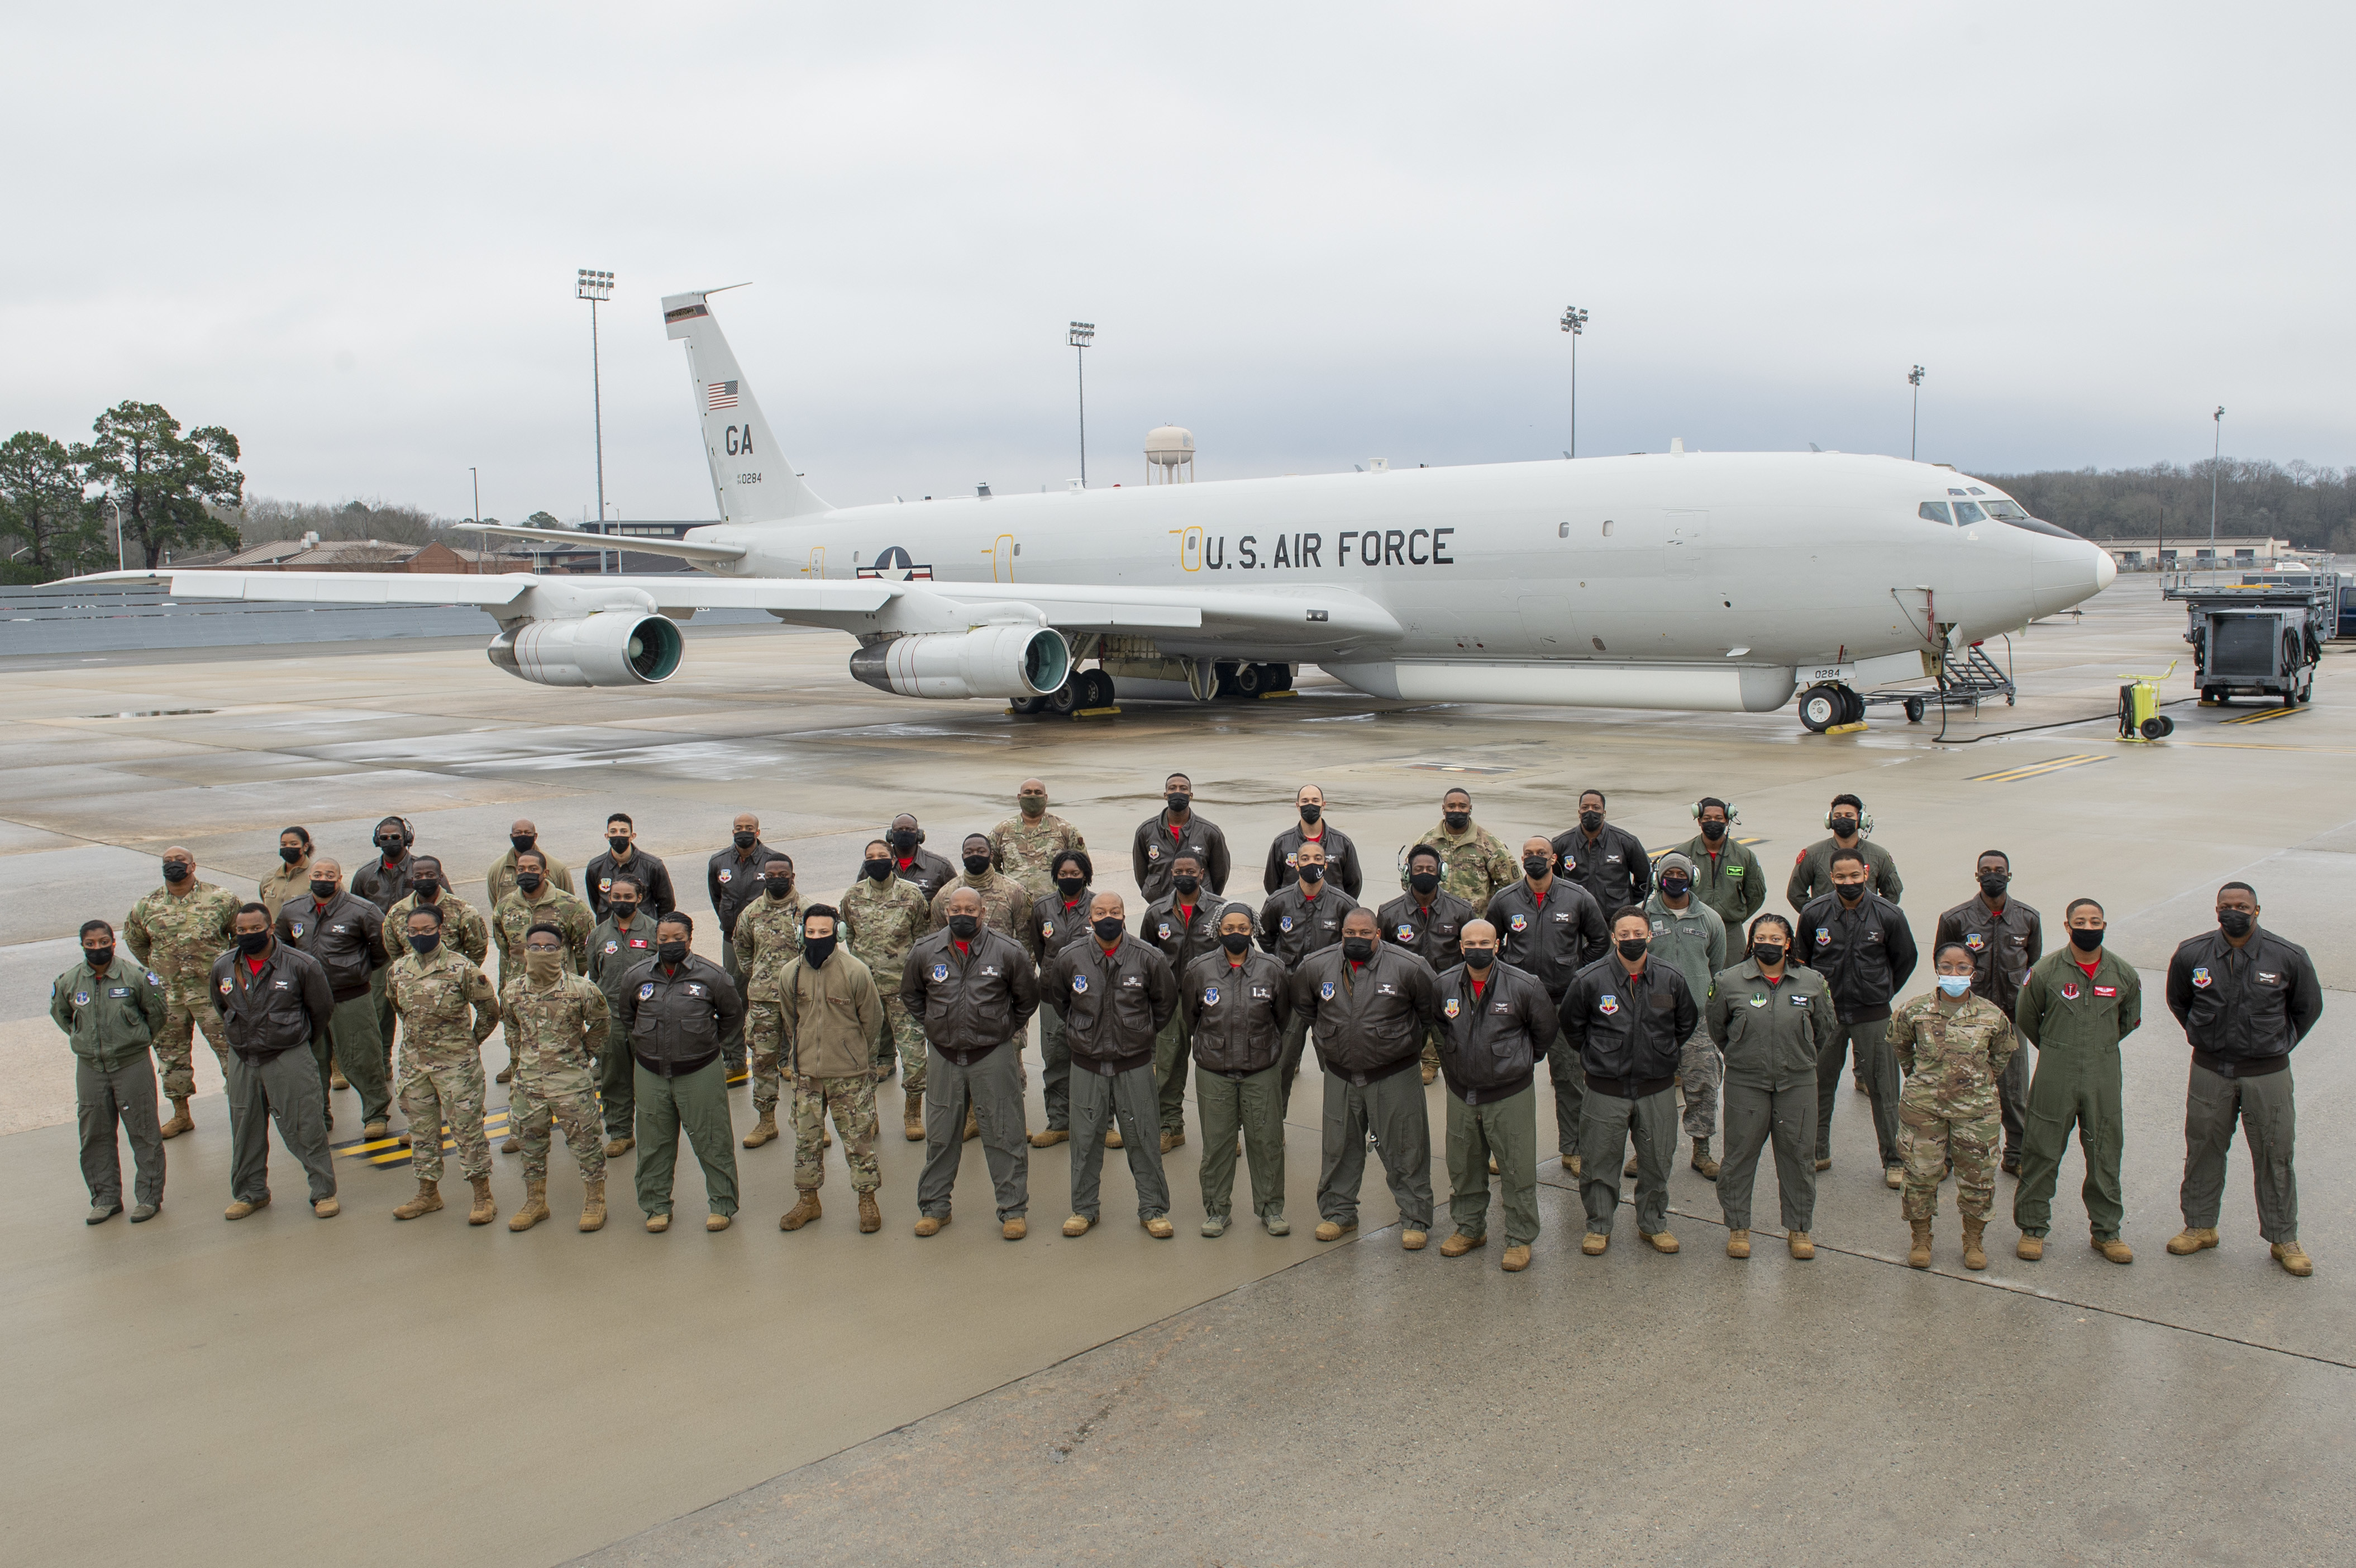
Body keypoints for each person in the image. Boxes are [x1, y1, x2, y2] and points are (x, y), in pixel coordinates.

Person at [2163, 881, 2322, 1277]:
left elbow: (2307, 1008)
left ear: (2257, 910)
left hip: (2266, 1074)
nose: (2234, 911)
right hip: (2209, 1070)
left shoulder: (2288, 956)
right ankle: (2200, 1227)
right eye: (2226, 905)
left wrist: (2276, 1044)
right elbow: (2179, 1000)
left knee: (2275, 1154)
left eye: (2242, 906)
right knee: (2202, 1147)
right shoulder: (2192, 953)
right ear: (2216, 909)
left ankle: (2283, 1238)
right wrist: (2204, 1035)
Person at [1294, 908, 1440, 1249]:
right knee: (1339, 1147)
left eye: (1364, 933)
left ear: (1378, 934)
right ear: (1340, 933)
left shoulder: (1410, 968)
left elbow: (1430, 1014)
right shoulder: (1316, 966)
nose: (1355, 939)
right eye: (1349, 933)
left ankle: (1415, 1218)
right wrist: (1329, 1049)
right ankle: (1338, 1214)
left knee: (1406, 1147)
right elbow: (1306, 1010)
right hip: (1341, 1076)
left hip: (1394, 1075)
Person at [902, 887, 1039, 1240]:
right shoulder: (925, 951)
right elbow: (913, 996)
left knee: (1005, 1133)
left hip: (992, 1056)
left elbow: (1026, 999)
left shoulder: (1008, 951)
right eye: (956, 909)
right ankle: (935, 1208)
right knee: (941, 1135)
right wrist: (937, 1026)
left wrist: (1002, 1029)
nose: (963, 914)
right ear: (947, 911)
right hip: (945, 1057)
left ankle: (1013, 1210)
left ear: (983, 913)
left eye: (970, 909)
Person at [1561, 907, 1699, 1255]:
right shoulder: (1589, 980)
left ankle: (1653, 1224)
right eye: (1625, 935)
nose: (1632, 940)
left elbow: (1685, 1024)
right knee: (1599, 1161)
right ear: (1613, 937)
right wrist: (1601, 1056)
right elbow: (1573, 1027)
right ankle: (1599, 1226)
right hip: (1606, 1089)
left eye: (1639, 934)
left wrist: (1660, 1054)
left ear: (1650, 935)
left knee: (1656, 1159)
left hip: (1657, 1088)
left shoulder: (1671, 978)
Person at [2011, 898, 2140, 1264]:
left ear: (2104, 924)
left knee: (2105, 1152)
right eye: (2080, 921)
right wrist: (2056, 1047)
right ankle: (2033, 1228)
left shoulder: (2123, 973)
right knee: (2042, 1149)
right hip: (2056, 1069)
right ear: (2068, 926)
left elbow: (2129, 1020)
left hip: (2103, 1072)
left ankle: (2107, 1232)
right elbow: (2026, 1015)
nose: (2088, 926)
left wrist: (2096, 1046)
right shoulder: (2047, 970)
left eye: (2095, 920)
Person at [1044, 892, 1178, 1239]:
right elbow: (1061, 1001)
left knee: (1144, 1136)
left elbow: (1164, 1005)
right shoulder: (1070, 958)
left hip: (1133, 1063)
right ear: (1090, 919)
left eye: (1115, 911)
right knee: (1086, 1139)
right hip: (1086, 1063)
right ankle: (1084, 1209)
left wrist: (1138, 1035)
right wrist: (1084, 1033)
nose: (1108, 917)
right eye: (1101, 912)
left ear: (1124, 916)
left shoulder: (1149, 957)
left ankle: (1153, 1209)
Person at [1432, 918, 1557, 1272]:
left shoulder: (1524, 986)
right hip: (1462, 1093)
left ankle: (1519, 1238)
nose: (1477, 949)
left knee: (1516, 1166)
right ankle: (1470, 1228)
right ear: (1460, 947)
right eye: (1469, 943)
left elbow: (1544, 1031)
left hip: (1509, 1093)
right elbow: (1440, 1030)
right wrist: (1457, 1063)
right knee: (1464, 1164)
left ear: (1497, 945)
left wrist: (1516, 1062)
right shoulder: (1444, 985)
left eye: (1484, 943)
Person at [1707, 914, 1834, 1260]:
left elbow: (1824, 1029)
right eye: (1761, 937)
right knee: (1739, 1155)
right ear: (1751, 941)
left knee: (1798, 1157)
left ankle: (1799, 1229)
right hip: (1746, 1081)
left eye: (1776, 938)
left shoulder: (1811, 982)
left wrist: (1798, 1056)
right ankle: (1738, 1228)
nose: (1768, 943)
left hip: (1798, 1081)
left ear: (1788, 943)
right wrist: (1744, 1055)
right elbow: (1718, 1027)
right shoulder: (1729, 981)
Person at [1888, 942, 2020, 1270]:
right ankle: (1921, 1238)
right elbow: (1902, 1048)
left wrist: (1975, 1083)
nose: (1954, 973)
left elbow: (2001, 1056)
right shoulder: (1913, 1010)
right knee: (1920, 1175)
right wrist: (1925, 1080)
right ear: (1936, 969)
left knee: (1978, 1179)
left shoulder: (1992, 1015)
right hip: (1924, 1110)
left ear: (1973, 972)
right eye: (1946, 966)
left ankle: (1973, 1240)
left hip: (1976, 1112)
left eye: (1962, 967)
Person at [1796, 848, 1918, 1188]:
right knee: (1819, 1084)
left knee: (1885, 1089)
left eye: (1854, 876)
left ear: (1865, 873)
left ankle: (1894, 1159)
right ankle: (1818, 1150)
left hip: (1873, 1014)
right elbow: (1802, 960)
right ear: (1832, 878)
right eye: (1841, 877)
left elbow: (1905, 959)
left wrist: (1881, 991)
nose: (1848, 882)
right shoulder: (1814, 912)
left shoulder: (1889, 915)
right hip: (1827, 1016)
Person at [211, 903, 340, 1219]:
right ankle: (251, 1193)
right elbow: (221, 1005)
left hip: (288, 1055)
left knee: (305, 1125)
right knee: (245, 1128)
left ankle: (323, 1193)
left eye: (256, 929)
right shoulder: (224, 966)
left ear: (270, 929)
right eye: (241, 931)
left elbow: (321, 1010)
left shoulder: (301, 964)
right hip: (243, 1057)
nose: (248, 935)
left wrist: (295, 1041)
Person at [619, 913, 746, 1233]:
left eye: (678, 939)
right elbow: (627, 1016)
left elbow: (732, 1016)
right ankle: (656, 1206)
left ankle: (722, 1204)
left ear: (690, 939)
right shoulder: (636, 976)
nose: (670, 944)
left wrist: (706, 1043)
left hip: (700, 1070)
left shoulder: (713, 976)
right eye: (664, 939)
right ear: (655, 940)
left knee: (713, 1139)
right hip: (650, 1071)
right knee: (653, 1143)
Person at [1489, 835, 1608, 1175]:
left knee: (1570, 1078)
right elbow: (1491, 943)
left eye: (1541, 853)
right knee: (1508, 1080)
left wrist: (1576, 972)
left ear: (1554, 859)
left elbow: (1600, 941)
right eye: (1528, 854)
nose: (1534, 858)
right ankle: (1505, 1150)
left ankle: (1574, 1149)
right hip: (1516, 1005)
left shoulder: (1578, 898)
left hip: (1561, 1003)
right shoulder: (1505, 900)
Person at [385, 904, 503, 1226]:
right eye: (413, 932)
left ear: (440, 930)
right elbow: (400, 1008)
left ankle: (483, 1196)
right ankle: (428, 1193)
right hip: (415, 1066)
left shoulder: (462, 969)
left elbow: (490, 1012)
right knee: (422, 1131)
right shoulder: (398, 970)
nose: (419, 936)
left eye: (426, 931)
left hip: (457, 1066)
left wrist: (468, 1043)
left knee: (467, 1130)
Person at [776, 905, 887, 1236]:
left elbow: (872, 1021)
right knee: (806, 1141)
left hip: (848, 1075)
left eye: (824, 933)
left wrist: (856, 1059)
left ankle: (867, 1200)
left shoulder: (856, 972)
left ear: (837, 933)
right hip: (807, 1075)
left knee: (858, 1141)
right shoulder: (789, 973)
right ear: (801, 934)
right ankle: (808, 1200)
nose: (816, 938)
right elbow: (789, 1021)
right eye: (810, 933)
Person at [1184, 903, 1293, 1237]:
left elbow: (1283, 1016)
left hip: (1261, 1070)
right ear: (1218, 930)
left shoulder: (1273, 968)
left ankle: (1271, 1210)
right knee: (1217, 1144)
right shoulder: (1199, 969)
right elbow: (1191, 1018)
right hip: (1214, 1072)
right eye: (1229, 927)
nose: (1236, 934)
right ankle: (1218, 1211)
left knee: (1267, 1141)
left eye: (1243, 928)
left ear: (1253, 930)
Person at [1933, 850, 2042, 1173]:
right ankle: (1947, 1158)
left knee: (2014, 1091)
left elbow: (2032, 966)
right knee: (1957, 1088)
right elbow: (1944, 965)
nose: (1993, 875)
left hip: (2011, 1018)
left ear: (2009, 876)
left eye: (1999, 870)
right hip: (1965, 1020)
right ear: (1977, 875)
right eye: (1986, 870)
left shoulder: (2028, 918)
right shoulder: (1956, 918)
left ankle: (2018, 1155)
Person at [53, 919, 169, 1223]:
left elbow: (157, 1014)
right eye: (90, 944)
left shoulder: (137, 977)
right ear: (82, 945)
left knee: (144, 1131)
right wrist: (88, 1043)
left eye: (103, 942)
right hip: (90, 1068)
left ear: (113, 942)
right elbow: (63, 1016)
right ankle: (105, 1199)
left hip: (131, 1065)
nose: (98, 948)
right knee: (94, 1135)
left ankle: (149, 1197)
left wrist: (133, 1042)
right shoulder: (69, 981)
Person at [500, 920, 611, 1232]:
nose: (542, 953)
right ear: (525, 951)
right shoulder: (512, 992)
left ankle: (595, 1201)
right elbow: (510, 1026)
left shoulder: (581, 989)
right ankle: (536, 1202)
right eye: (535, 947)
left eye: (550, 948)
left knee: (586, 1144)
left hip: (571, 1083)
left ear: (561, 952)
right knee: (530, 1144)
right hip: (529, 1085)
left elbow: (602, 1024)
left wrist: (581, 1055)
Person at [122, 845, 239, 1140]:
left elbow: (240, 937)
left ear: (193, 865)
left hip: (213, 995)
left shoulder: (221, 898)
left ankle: (243, 1108)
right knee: (172, 1058)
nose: (174, 865)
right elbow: (136, 941)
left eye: (180, 860)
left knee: (232, 1053)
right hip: (169, 998)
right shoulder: (146, 906)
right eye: (167, 861)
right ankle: (181, 1115)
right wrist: (159, 967)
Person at [274, 857, 390, 1137]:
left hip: (350, 998)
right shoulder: (293, 910)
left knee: (362, 1057)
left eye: (329, 875)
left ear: (339, 879)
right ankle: (320, 1116)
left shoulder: (362, 910)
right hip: (308, 1001)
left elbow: (382, 947)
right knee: (313, 1062)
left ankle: (375, 1114)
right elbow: (282, 946)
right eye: (317, 874)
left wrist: (356, 972)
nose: (322, 879)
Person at [840, 839, 935, 1139]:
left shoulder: (911, 895)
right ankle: (870, 1114)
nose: (876, 860)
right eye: (870, 857)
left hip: (902, 991)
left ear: (893, 860)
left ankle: (912, 1113)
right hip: (865, 992)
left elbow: (922, 937)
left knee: (915, 1058)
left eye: (882, 856)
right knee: (864, 1059)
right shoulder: (853, 896)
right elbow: (850, 937)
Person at [1256, 838, 1358, 1112]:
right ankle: (1274, 1124)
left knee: (1337, 1062)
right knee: (1283, 1062)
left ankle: (1345, 1120)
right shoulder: (1279, 901)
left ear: (1326, 864)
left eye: (1317, 859)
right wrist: (1282, 961)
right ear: (1295, 864)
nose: (1311, 864)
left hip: (1331, 995)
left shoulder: (1343, 904)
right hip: (1291, 993)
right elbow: (1264, 935)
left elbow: (1354, 943)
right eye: (1304, 859)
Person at [1643, 852, 1728, 1179]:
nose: (1675, 878)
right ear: (1659, 878)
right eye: (1669, 873)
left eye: (1681, 873)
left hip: (1697, 1020)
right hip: (1653, 1018)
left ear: (1691, 877)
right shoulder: (1644, 916)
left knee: (1703, 1083)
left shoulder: (1710, 919)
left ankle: (1702, 1151)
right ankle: (1644, 1150)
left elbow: (1718, 968)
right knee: (1648, 1089)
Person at [492, 850, 593, 1097]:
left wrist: (568, 977)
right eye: (521, 869)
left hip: (561, 994)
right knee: (519, 1047)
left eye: (533, 869)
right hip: (520, 992)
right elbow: (505, 947)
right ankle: (524, 1099)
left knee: (567, 1049)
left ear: (545, 873)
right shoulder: (505, 906)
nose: (526, 874)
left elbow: (585, 949)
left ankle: (572, 1097)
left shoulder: (570, 906)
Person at [1142, 851, 1219, 1151]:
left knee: (1216, 1068)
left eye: (1191, 870)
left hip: (1212, 1001)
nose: (1184, 875)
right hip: (1172, 1001)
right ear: (1171, 874)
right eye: (1178, 871)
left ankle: (1220, 1136)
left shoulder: (1220, 911)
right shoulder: (1156, 912)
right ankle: (1170, 1127)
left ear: (1202, 874)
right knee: (1168, 1067)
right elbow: (1147, 958)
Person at [1377, 844, 1473, 1086]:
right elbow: (1381, 958)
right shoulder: (1389, 913)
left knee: (1457, 1060)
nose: (1424, 873)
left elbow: (1470, 955)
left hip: (1448, 996)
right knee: (1399, 1063)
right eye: (1418, 868)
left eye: (1431, 868)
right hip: (1406, 999)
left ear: (1441, 872)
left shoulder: (1461, 911)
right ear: (1408, 872)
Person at [731, 855, 804, 1150]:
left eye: (782, 873)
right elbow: (742, 947)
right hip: (763, 1000)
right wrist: (760, 976)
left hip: (800, 998)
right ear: (764, 877)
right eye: (770, 874)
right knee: (762, 1061)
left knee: (804, 1062)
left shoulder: (807, 910)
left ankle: (808, 1123)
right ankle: (766, 1122)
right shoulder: (752, 913)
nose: (776, 878)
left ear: (792, 875)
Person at [1028, 849, 1099, 1148]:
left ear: (1086, 875)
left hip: (1090, 997)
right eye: (1064, 874)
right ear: (1056, 875)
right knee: (1055, 1058)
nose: (1069, 878)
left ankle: (1101, 1125)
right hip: (1052, 997)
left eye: (1075, 874)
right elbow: (1040, 950)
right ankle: (1059, 1123)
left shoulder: (1099, 904)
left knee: (1095, 1059)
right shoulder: (1043, 907)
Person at [586, 874, 657, 1156]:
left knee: (651, 1078)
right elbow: (594, 974)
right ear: (608, 898)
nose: (622, 902)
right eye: (617, 897)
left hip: (647, 1016)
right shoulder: (599, 934)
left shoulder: (654, 931)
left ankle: (655, 1132)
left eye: (628, 897)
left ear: (639, 898)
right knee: (614, 1077)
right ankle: (620, 1132)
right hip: (611, 1016)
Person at [706, 813, 772, 1078]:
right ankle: (734, 1060)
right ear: (732, 831)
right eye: (738, 828)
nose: (743, 832)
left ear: (758, 832)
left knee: (774, 994)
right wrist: (729, 921)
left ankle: (783, 1059)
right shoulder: (719, 862)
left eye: (749, 828)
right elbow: (716, 896)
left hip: (768, 939)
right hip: (733, 939)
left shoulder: (772, 861)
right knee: (732, 997)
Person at [351, 816, 419, 1060]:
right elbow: (353, 915)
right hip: (380, 955)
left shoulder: (424, 870)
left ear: (407, 839)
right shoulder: (364, 875)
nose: (390, 842)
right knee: (380, 1012)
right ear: (377, 841)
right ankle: (382, 1061)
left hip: (416, 954)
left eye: (396, 837)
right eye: (385, 838)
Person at [1787, 793, 1901, 911]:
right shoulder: (1813, 854)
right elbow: (1795, 894)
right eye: (1837, 816)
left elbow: (1893, 893)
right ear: (1830, 820)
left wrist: (1876, 915)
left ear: (1861, 820)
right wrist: (1817, 915)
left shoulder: (1879, 855)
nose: (1842, 819)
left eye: (1849, 815)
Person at [1131, 772, 1231, 903]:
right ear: (1166, 795)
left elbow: (1220, 875)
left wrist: (1208, 898)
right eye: (1172, 788)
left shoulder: (1210, 832)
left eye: (1183, 789)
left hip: (1201, 907)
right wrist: (1152, 895)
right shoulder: (1146, 831)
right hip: (1160, 906)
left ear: (1191, 795)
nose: (1178, 792)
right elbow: (1141, 874)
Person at [1551, 788, 1653, 913]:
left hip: (1613, 921)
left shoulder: (1626, 842)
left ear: (1604, 813)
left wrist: (1625, 903)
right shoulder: (1561, 844)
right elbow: (1549, 881)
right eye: (1585, 807)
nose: (1590, 811)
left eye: (1596, 807)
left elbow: (1646, 880)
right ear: (1579, 812)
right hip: (1576, 921)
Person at [1419, 788, 1519, 916]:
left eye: (1462, 806)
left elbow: (1512, 884)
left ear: (1470, 809)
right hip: (1434, 921)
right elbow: (1409, 882)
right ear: (1443, 809)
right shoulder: (1426, 843)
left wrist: (1484, 899)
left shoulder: (1489, 844)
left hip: (1473, 924)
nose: (1457, 810)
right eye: (1452, 806)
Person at [989, 779, 1088, 904]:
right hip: (1014, 905)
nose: (1033, 796)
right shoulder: (1002, 831)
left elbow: (1083, 867)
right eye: (1028, 792)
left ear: (1046, 797)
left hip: (1055, 907)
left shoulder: (1065, 829)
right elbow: (991, 868)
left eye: (1038, 792)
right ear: (1019, 797)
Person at [381, 857, 490, 969]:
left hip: (452, 979)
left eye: (430, 875)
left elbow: (478, 949)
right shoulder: (397, 912)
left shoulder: (462, 910)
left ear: (440, 878)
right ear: (413, 879)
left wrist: (461, 973)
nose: (424, 879)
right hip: (413, 979)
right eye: (419, 876)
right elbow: (393, 950)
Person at [1676, 798, 1764, 934]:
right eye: (1707, 818)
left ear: (1728, 821)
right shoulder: (1682, 854)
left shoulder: (1744, 856)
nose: (1713, 822)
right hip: (1691, 927)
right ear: (1699, 821)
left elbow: (1756, 895)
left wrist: (1736, 917)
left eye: (1719, 818)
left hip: (1731, 929)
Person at [1263, 783, 1363, 898]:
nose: (1310, 805)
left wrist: (1337, 906)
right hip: (1293, 913)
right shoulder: (1281, 844)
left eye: (1315, 801)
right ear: (1298, 806)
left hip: (1332, 913)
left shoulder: (1343, 843)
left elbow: (1354, 884)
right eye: (1305, 801)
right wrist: (1288, 905)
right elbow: (1271, 884)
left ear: (1323, 805)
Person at [585, 812, 676, 919]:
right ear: (607, 836)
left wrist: (653, 927)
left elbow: (667, 904)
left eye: (624, 831)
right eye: (613, 832)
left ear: (632, 836)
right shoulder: (595, 867)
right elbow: (596, 901)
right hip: (609, 932)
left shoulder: (653, 866)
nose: (618, 835)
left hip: (643, 932)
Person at [487, 820, 575, 914]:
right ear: (511, 837)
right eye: (518, 833)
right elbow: (496, 906)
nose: (523, 836)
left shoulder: (557, 869)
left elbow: (570, 905)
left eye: (528, 832)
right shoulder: (496, 869)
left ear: (535, 836)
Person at [885, 813, 958, 903]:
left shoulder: (940, 866)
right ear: (890, 835)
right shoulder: (877, 864)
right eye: (899, 830)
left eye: (910, 829)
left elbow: (958, 899)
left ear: (919, 834)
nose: (904, 833)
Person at [259, 825, 314, 919]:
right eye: (284, 845)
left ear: (305, 847)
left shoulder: (317, 876)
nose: (288, 848)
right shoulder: (269, 877)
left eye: (293, 844)